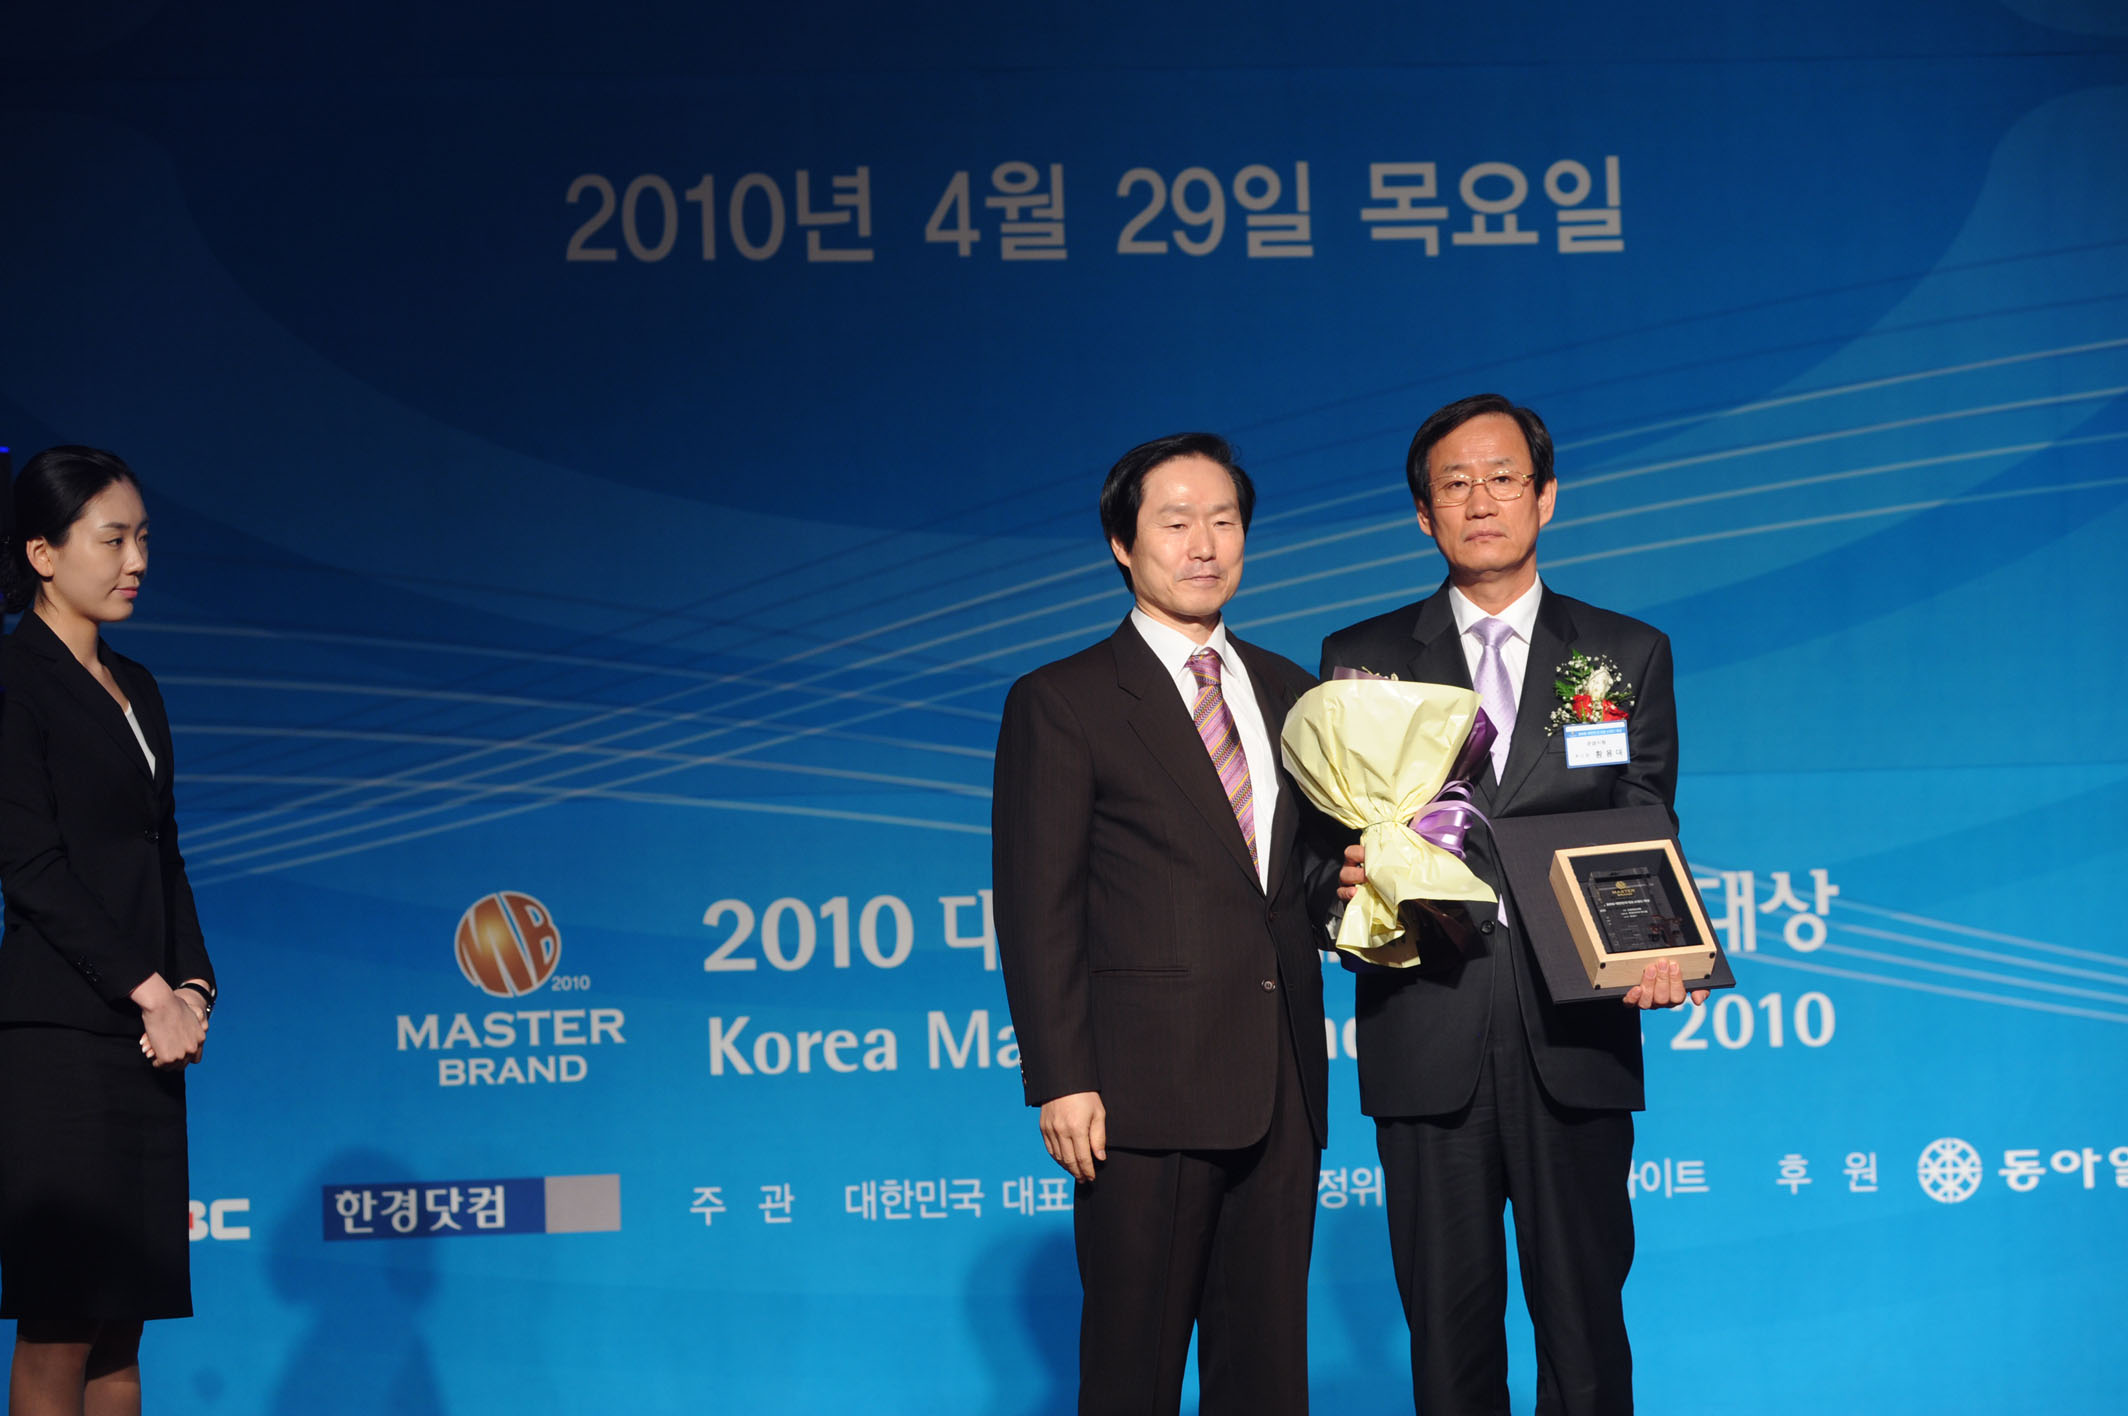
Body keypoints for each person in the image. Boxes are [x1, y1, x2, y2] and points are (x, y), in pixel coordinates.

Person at [1319, 395, 1702, 1416]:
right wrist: (1341, 892)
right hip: (1426, 1033)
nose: (1480, 501)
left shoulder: (1623, 651)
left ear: (1546, 497)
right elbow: (1324, 852)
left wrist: (1655, 948)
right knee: (1448, 1348)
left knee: (1584, 1338)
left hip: (1573, 1037)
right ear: (1422, 514)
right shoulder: (1363, 659)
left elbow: (1642, 822)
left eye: (1501, 478)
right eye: (1454, 484)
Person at [993, 432, 1339, 1416]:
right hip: (1140, 1096)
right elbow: (1036, 905)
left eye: (1224, 522)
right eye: (1177, 522)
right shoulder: (1063, 701)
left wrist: (1368, 891)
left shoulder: (1289, 691)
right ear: (1122, 541)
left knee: (1267, 1378)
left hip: (1279, 1085)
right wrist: (1062, 1077)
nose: (1204, 545)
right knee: (1131, 1376)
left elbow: (1297, 883)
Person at [0, 446, 216, 1416]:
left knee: (124, 1327)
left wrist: (194, 987)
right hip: (58, 1039)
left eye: (143, 539)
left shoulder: (141, 686)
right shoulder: (15, 681)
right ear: (43, 553)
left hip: (146, 1040)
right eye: (112, 539)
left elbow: (162, 855)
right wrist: (149, 988)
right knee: (61, 1327)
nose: (137, 561)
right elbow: (31, 867)